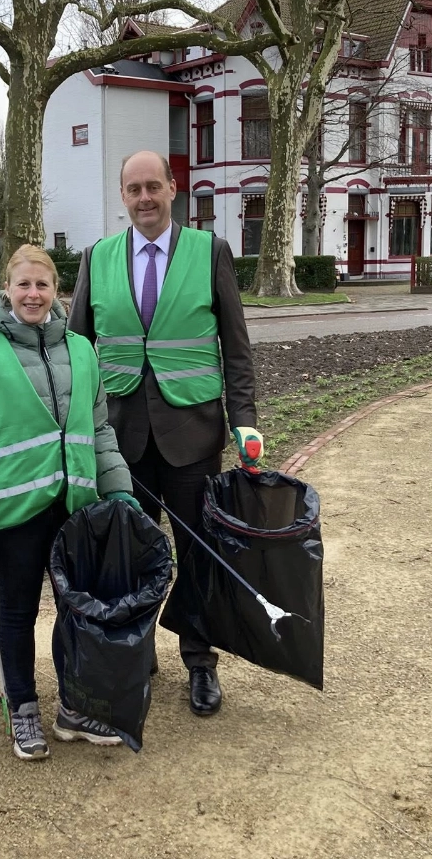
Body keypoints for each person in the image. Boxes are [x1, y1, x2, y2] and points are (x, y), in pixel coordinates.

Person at [67, 150, 261, 717]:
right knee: (127, 554)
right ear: (122, 196)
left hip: (192, 435)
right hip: (119, 437)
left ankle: (200, 662)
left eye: (154, 186)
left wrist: (244, 420)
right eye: (134, 188)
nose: (145, 197)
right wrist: (76, 430)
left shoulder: (210, 253)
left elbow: (237, 348)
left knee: (197, 553)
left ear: (173, 189)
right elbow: (78, 351)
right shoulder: (96, 258)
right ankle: (135, 653)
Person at [0, 245, 139, 761]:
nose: (32, 294)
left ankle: (75, 706)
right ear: (7, 288)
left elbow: (98, 431)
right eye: (23, 285)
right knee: (18, 611)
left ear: (56, 292)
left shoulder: (81, 351)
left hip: (74, 505)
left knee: (78, 611)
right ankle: (22, 706)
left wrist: (120, 492)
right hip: (13, 511)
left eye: (42, 285)